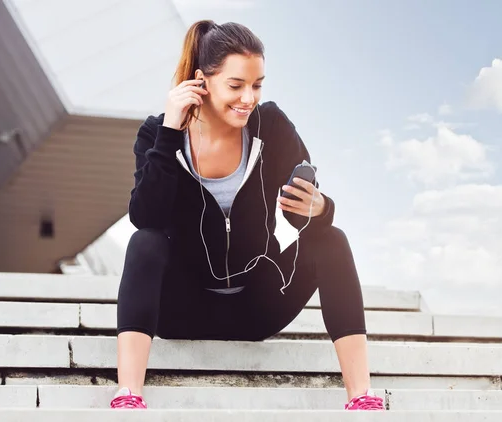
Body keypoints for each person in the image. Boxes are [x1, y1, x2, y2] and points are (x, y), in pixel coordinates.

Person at [110, 19, 384, 412]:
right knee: (144, 242)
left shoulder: (269, 125)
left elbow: (305, 213)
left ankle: (361, 396)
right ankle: (129, 394)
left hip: (258, 308)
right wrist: (170, 131)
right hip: (182, 310)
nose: (248, 98)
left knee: (333, 238)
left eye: (256, 85)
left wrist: (320, 208)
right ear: (202, 81)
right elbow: (145, 215)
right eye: (236, 86)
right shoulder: (158, 134)